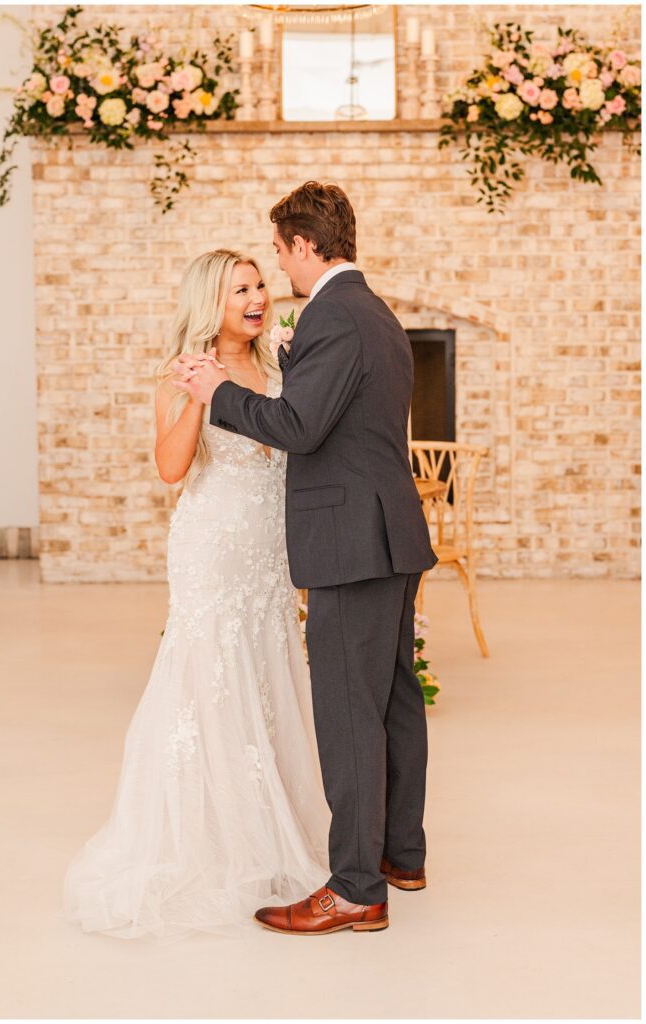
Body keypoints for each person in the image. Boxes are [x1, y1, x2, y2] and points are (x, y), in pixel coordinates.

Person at [175, 181, 438, 935]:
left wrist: (220, 389)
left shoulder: (333, 314)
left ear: (301, 245)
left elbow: (297, 426)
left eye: (280, 254)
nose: (278, 275)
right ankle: (400, 854)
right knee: (391, 698)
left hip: (350, 541)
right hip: (387, 530)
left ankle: (355, 887)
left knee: (351, 711)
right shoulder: (375, 313)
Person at [62, 249, 330, 940]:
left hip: (269, 553)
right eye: (240, 288)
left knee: (268, 677)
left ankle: (272, 834)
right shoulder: (180, 374)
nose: (257, 296)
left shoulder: (277, 365)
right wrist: (200, 395)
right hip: (212, 550)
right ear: (209, 302)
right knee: (210, 680)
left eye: (259, 284)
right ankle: (208, 844)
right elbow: (171, 469)